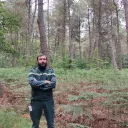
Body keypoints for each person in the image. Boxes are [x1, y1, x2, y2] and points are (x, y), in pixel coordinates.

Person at [28, 54, 56, 128]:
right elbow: (32, 83)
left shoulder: (51, 71)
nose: (42, 61)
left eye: (44, 59)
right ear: (37, 61)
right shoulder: (32, 71)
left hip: (48, 100)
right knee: (35, 124)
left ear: (46, 60)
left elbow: (53, 84)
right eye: (40, 59)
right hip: (36, 100)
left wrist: (39, 85)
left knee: (51, 124)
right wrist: (45, 82)